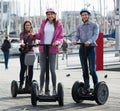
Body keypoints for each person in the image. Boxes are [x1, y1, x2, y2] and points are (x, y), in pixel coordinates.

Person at [34, 8, 64, 96]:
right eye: (48, 14)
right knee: (42, 70)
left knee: (52, 70)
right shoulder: (44, 23)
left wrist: (57, 42)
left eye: (52, 14)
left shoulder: (58, 24)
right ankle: (42, 89)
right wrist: (34, 35)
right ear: (46, 15)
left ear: (55, 15)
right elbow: (40, 35)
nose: (50, 16)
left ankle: (54, 89)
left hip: (53, 49)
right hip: (43, 49)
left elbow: (61, 37)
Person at [72, 8, 99, 94]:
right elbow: (77, 35)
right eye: (83, 15)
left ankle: (96, 87)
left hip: (91, 48)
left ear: (88, 15)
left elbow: (95, 35)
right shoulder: (79, 26)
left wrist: (90, 41)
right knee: (84, 69)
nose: (84, 16)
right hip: (82, 49)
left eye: (86, 15)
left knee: (92, 69)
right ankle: (86, 87)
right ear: (81, 16)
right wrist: (74, 40)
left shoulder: (94, 25)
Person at [19, 20, 35, 89]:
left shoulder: (33, 34)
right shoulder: (22, 33)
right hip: (24, 52)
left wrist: (36, 43)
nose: (27, 26)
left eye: (29, 25)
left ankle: (29, 82)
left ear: (31, 26)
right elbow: (21, 40)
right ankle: (21, 83)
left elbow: (35, 40)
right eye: (26, 25)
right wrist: (22, 43)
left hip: (31, 52)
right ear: (24, 26)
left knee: (31, 68)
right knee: (23, 68)